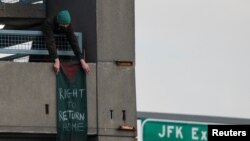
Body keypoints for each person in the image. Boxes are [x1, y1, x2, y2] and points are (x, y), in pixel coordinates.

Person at [42, 10, 90, 74]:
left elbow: (73, 41)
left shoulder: (67, 24)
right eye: (64, 25)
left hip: (59, 46)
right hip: (44, 45)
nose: (66, 26)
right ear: (59, 22)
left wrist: (82, 60)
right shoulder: (48, 23)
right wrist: (56, 60)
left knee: (67, 58)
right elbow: (50, 42)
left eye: (67, 25)